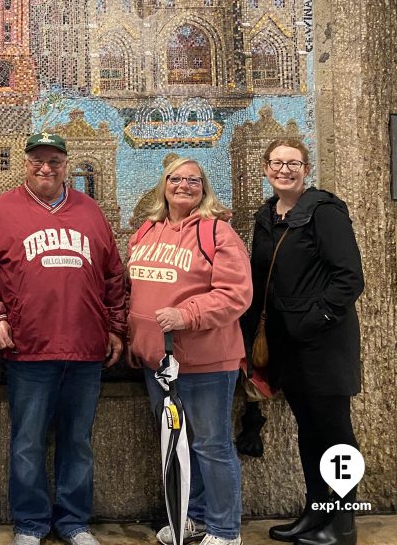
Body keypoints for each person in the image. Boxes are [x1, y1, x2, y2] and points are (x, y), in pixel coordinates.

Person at [0, 132, 127, 545]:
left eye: (54, 160)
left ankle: (74, 521)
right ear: (25, 163)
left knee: (78, 440)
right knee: (26, 442)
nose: (46, 168)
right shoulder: (1, 211)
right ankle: (30, 523)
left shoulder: (90, 211)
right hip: (28, 348)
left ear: (66, 164)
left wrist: (114, 327)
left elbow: (113, 277)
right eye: (38, 160)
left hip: (85, 348)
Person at [126, 157, 252, 545]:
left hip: (206, 362)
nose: (184, 185)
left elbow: (236, 294)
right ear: (164, 184)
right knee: (178, 446)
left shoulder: (218, 232)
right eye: (176, 179)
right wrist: (136, 338)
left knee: (211, 445)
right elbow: (135, 289)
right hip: (158, 364)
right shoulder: (146, 230)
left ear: (204, 186)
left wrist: (186, 315)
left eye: (193, 180)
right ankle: (193, 515)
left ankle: (225, 530)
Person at [244, 138, 363, 545]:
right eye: (276, 162)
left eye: (293, 163)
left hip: (324, 345)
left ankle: (343, 523)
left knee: (336, 434)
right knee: (309, 431)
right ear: (265, 168)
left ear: (306, 168)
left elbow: (349, 277)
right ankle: (315, 513)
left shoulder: (324, 212)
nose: (284, 170)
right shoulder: (266, 217)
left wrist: (316, 320)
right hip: (286, 346)